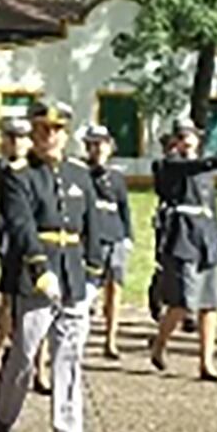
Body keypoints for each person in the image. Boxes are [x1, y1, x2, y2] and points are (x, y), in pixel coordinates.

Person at [0, 99, 96, 432]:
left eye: (56, 129)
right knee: (24, 355)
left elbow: (91, 228)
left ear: (66, 134)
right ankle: (4, 415)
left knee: (69, 355)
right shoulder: (19, 175)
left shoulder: (80, 175)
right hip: (36, 277)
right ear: (33, 133)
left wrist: (93, 273)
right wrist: (39, 269)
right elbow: (21, 225)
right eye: (42, 129)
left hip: (74, 275)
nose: (49, 136)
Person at [148, 117, 217, 382]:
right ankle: (160, 343)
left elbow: (212, 206)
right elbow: (185, 168)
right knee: (183, 302)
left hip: (205, 234)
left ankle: (206, 362)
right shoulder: (167, 165)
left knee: (210, 302)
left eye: (190, 136)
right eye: (180, 136)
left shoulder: (203, 170)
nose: (185, 140)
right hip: (181, 235)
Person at [0, 117, 33, 375]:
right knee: (9, 300)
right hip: (11, 239)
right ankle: (0, 342)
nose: (17, 143)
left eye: (22, 138)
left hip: (37, 238)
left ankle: (37, 367)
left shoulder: (36, 168)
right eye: (11, 138)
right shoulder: (3, 167)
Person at [80, 123, 132, 360]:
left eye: (101, 144)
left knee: (115, 288)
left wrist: (128, 235)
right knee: (88, 290)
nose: (97, 149)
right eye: (92, 144)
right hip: (92, 237)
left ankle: (111, 339)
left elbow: (123, 208)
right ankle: (80, 336)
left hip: (115, 235)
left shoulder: (117, 176)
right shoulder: (81, 174)